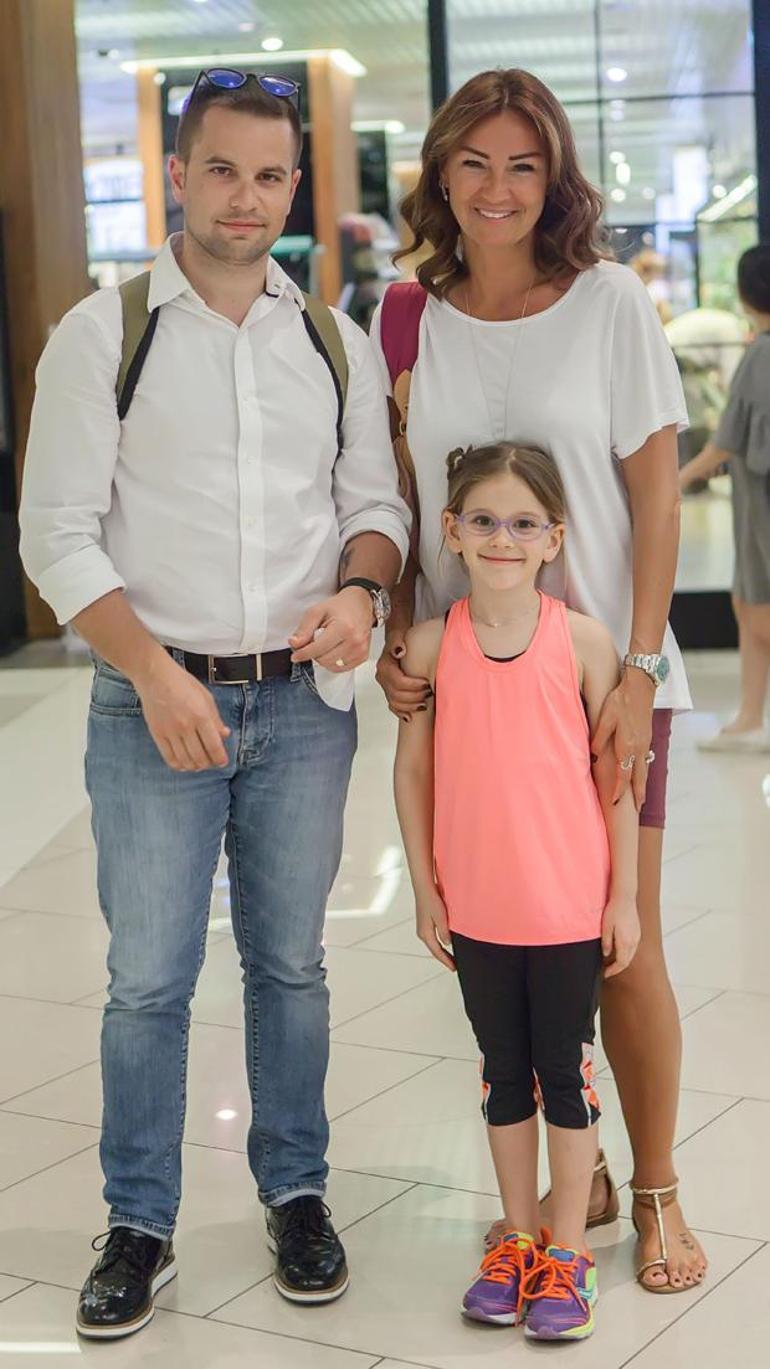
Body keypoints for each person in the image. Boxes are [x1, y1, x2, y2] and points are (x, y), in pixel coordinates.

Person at [19, 70, 409, 1339]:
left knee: (290, 966)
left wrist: (360, 591)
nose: (247, 198)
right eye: (223, 171)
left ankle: (295, 1192)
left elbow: (374, 507)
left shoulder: (332, 340)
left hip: (302, 706)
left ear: (295, 186)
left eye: (270, 175)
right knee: (148, 978)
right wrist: (149, 669)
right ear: (177, 175)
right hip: (152, 704)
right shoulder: (103, 335)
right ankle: (138, 1222)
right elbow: (54, 533)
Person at [372, 67, 707, 1294]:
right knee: (506, 957)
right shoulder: (406, 316)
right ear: (439, 174)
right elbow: (403, 497)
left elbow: (655, 501)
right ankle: (579, 1179)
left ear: (553, 177)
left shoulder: (608, 302)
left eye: (522, 164)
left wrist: (635, 670)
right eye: (472, 162)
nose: (496, 187)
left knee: (619, 944)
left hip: (600, 684)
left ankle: (656, 1189)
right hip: (470, 695)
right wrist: (401, 637)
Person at [394, 441, 640, 1341]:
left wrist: (624, 898)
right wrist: (424, 888)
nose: (504, 538)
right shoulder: (432, 646)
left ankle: (568, 1253)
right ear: (452, 530)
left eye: (524, 523)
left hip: (568, 905)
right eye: (485, 521)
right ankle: (519, 1238)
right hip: (479, 908)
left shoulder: (584, 642)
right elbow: (412, 771)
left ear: (554, 539)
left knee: (566, 1076)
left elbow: (617, 778)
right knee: (503, 1075)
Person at [680, 245, 770, 752]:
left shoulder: (759, 355)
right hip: (756, 501)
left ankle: (751, 718)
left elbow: (725, 443)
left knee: (755, 606)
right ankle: (749, 717)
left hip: (761, 504)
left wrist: (673, 482)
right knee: (747, 601)